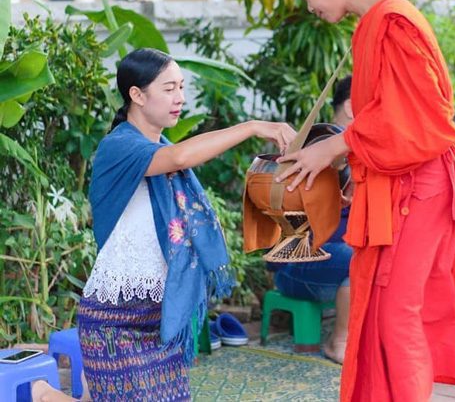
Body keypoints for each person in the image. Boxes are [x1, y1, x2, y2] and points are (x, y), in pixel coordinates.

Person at [277, 0, 455, 401]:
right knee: (384, 306)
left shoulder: (395, 21)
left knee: (397, 312)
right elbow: (387, 115)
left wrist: (332, 149)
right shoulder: (372, 24)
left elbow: (419, 116)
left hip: (422, 185)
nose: (309, 7)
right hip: (397, 183)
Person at [76, 48, 295, 401]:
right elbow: (179, 156)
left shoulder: (160, 148)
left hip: (161, 319)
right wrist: (253, 127)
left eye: (181, 87)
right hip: (114, 319)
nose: (180, 98)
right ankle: (44, 394)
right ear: (137, 94)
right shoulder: (120, 147)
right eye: (168, 89)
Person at [269, 76, 354, 364]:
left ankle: (365, 336)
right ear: (353, 107)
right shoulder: (319, 145)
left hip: (332, 260)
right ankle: (338, 341)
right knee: (360, 258)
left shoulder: (349, 149)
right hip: (296, 263)